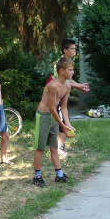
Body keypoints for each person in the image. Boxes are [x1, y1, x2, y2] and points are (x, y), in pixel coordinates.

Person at [33, 57, 76, 187]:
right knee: (40, 148)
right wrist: (62, 124)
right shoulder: (53, 86)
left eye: (72, 69)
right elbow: (52, 107)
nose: (73, 72)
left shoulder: (67, 85)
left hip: (53, 116)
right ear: (62, 71)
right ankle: (37, 176)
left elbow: (64, 107)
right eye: (70, 70)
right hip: (44, 116)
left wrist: (68, 124)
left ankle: (59, 174)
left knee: (54, 146)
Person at [47, 39, 90, 156]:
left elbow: (68, 80)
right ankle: (59, 148)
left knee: (65, 120)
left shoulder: (69, 62)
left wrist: (79, 85)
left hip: (62, 98)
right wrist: (79, 86)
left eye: (75, 49)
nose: (75, 51)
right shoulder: (60, 63)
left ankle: (60, 146)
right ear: (65, 50)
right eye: (72, 49)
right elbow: (63, 80)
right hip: (56, 99)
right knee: (63, 123)